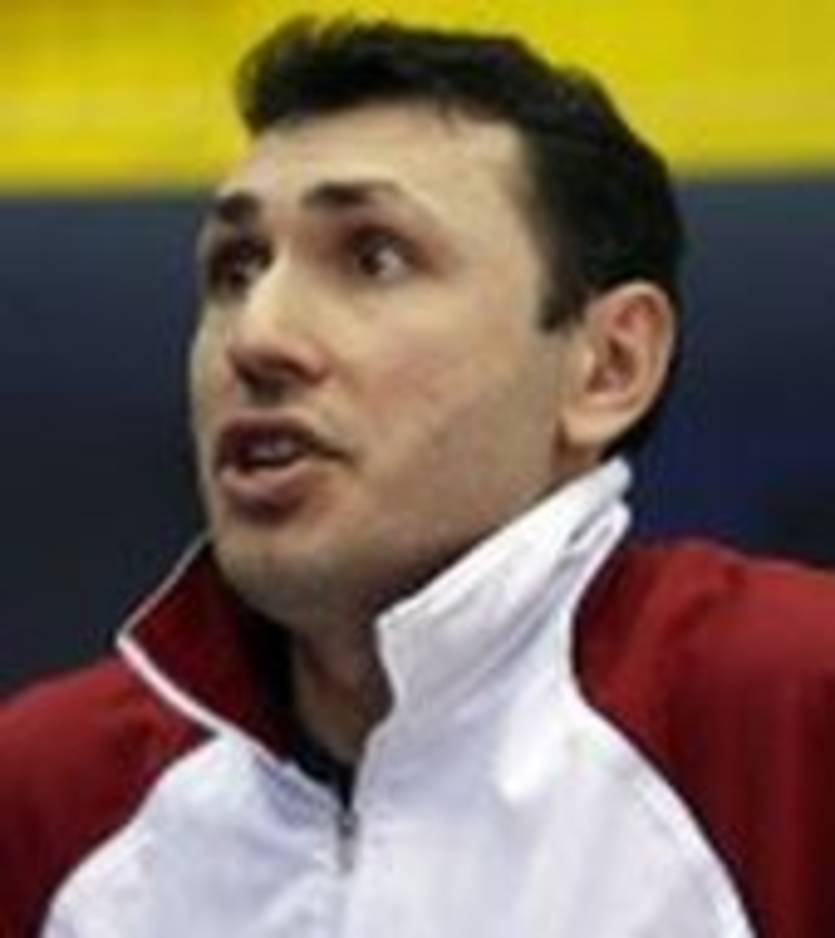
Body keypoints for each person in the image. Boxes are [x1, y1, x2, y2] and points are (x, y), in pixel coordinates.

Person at [2, 16, 834, 938]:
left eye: (375, 258)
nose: (256, 337)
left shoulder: (799, 711)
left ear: (607, 366)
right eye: (235, 270)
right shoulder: (45, 799)